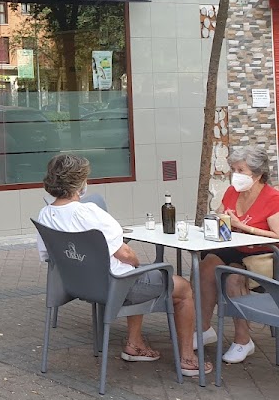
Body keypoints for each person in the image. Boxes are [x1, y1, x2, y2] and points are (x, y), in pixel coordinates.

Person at [35, 153, 209, 376]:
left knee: (133, 272)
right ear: (79, 183)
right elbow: (125, 253)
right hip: (116, 286)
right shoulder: (90, 213)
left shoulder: (45, 215)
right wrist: (136, 264)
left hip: (80, 285)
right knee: (183, 288)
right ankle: (188, 358)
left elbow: (48, 256)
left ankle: (135, 344)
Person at [195, 146, 279, 363]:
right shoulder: (232, 192)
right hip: (233, 248)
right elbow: (222, 217)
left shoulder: (272, 198)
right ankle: (204, 329)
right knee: (206, 266)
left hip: (263, 255)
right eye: (234, 169)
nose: (236, 175)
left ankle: (243, 340)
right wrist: (220, 218)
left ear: (258, 174)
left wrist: (244, 226)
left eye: (241, 170)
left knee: (233, 276)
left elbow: (277, 236)